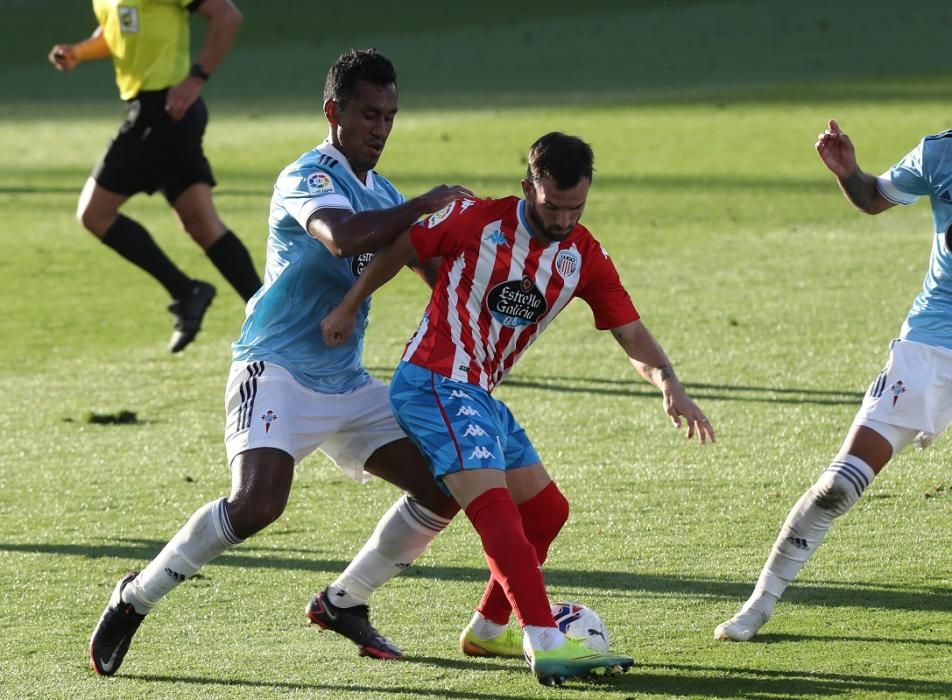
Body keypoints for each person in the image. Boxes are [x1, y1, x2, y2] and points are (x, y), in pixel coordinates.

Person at [88, 48, 473, 676]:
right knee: (258, 504)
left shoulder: (387, 193)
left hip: (345, 382)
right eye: (370, 114)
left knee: (446, 482)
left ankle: (345, 600)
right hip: (276, 371)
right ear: (334, 112)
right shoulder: (308, 176)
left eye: (390, 116)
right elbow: (343, 236)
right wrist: (426, 204)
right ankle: (134, 598)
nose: (381, 127)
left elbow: (435, 271)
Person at [321, 132, 716, 685]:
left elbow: (630, 332)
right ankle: (546, 641)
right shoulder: (477, 220)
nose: (563, 218)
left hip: (479, 394)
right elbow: (406, 246)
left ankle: (487, 628)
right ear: (528, 186)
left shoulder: (584, 256)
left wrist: (669, 383)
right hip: (433, 380)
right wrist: (348, 305)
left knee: (547, 511)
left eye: (576, 206)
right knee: (495, 506)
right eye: (553, 205)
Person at [715, 119, 952, 642]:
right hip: (932, 347)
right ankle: (758, 605)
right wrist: (848, 172)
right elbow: (874, 197)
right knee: (836, 489)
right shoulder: (941, 153)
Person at [48, 0, 262, 353]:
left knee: (94, 213)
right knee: (202, 224)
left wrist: (196, 79)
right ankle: (274, 321)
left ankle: (186, 291)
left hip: (165, 111)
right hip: (159, 112)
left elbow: (227, 15)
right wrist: (80, 52)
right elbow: (117, 30)